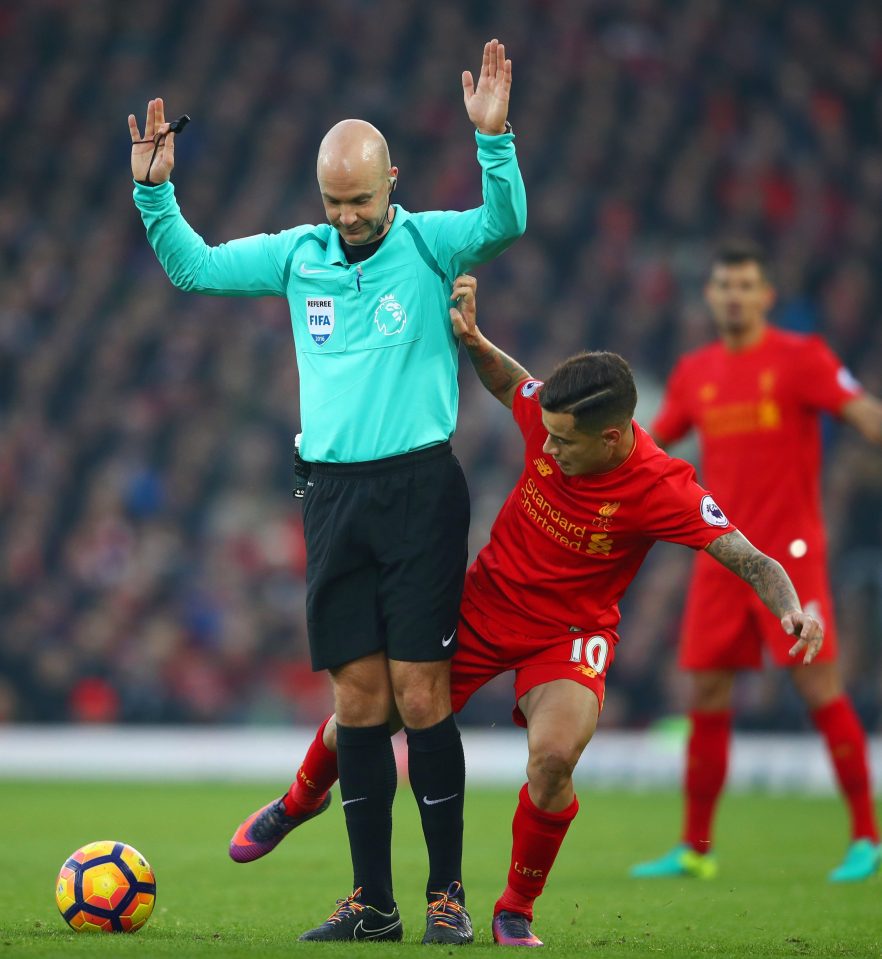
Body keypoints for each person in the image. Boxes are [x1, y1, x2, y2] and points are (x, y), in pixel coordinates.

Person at [229, 275, 823, 947]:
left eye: (567, 443)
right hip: (486, 606)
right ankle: (298, 799)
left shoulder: (663, 487)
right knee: (370, 713)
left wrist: (791, 607)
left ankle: (515, 906)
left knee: (553, 759)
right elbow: (513, 383)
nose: (548, 447)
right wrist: (475, 339)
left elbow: (750, 557)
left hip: (570, 634)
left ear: (614, 435)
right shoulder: (552, 416)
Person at [129, 40, 527, 944]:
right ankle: (373, 904)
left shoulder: (430, 240)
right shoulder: (298, 254)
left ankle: (447, 897)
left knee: (423, 695)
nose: (348, 217)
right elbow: (192, 267)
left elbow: (505, 223)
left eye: (361, 199)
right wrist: (156, 194)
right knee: (357, 700)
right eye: (334, 202)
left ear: (392, 178)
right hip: (333, 497)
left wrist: (494, 143)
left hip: (420, 489)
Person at [630, 239, 882, 884]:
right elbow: (655, 445)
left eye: (746, 285)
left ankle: (866, 837)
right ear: (711, 296)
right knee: (706, 691)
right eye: (725, 285)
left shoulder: (802, 358)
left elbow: (859, 413)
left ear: (767, 296)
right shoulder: (696, 372)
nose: (735, 295)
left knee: (816, 686)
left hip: (793, 557)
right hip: (723, 556)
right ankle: (694, 848)